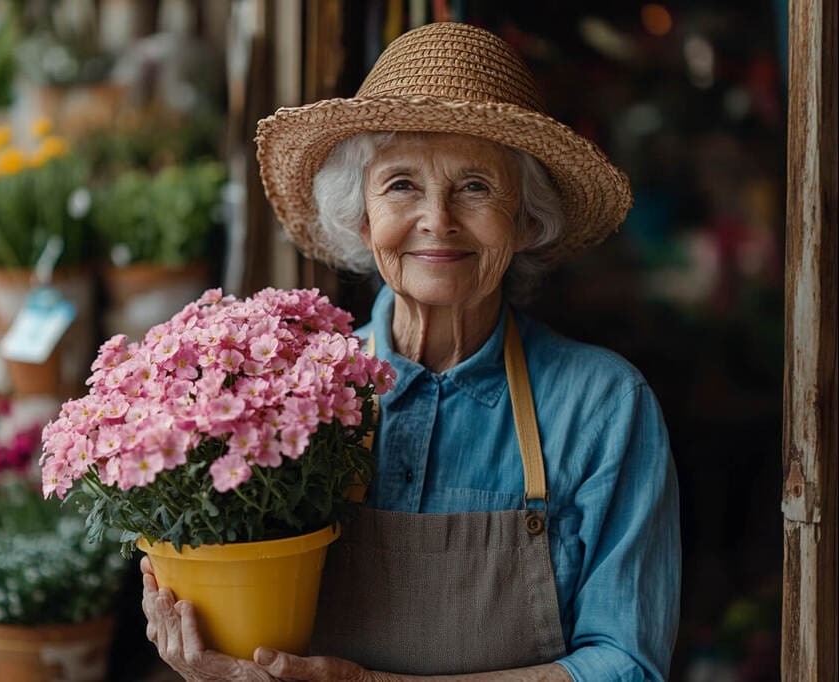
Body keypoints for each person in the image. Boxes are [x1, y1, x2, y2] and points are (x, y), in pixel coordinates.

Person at [141, 21, 680, 681]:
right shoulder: (287, 398)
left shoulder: (602, 406)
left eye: (476, 186)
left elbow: (626, 665)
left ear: (525, 219)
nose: (438, 219)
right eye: (401, 185)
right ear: (361, 218)